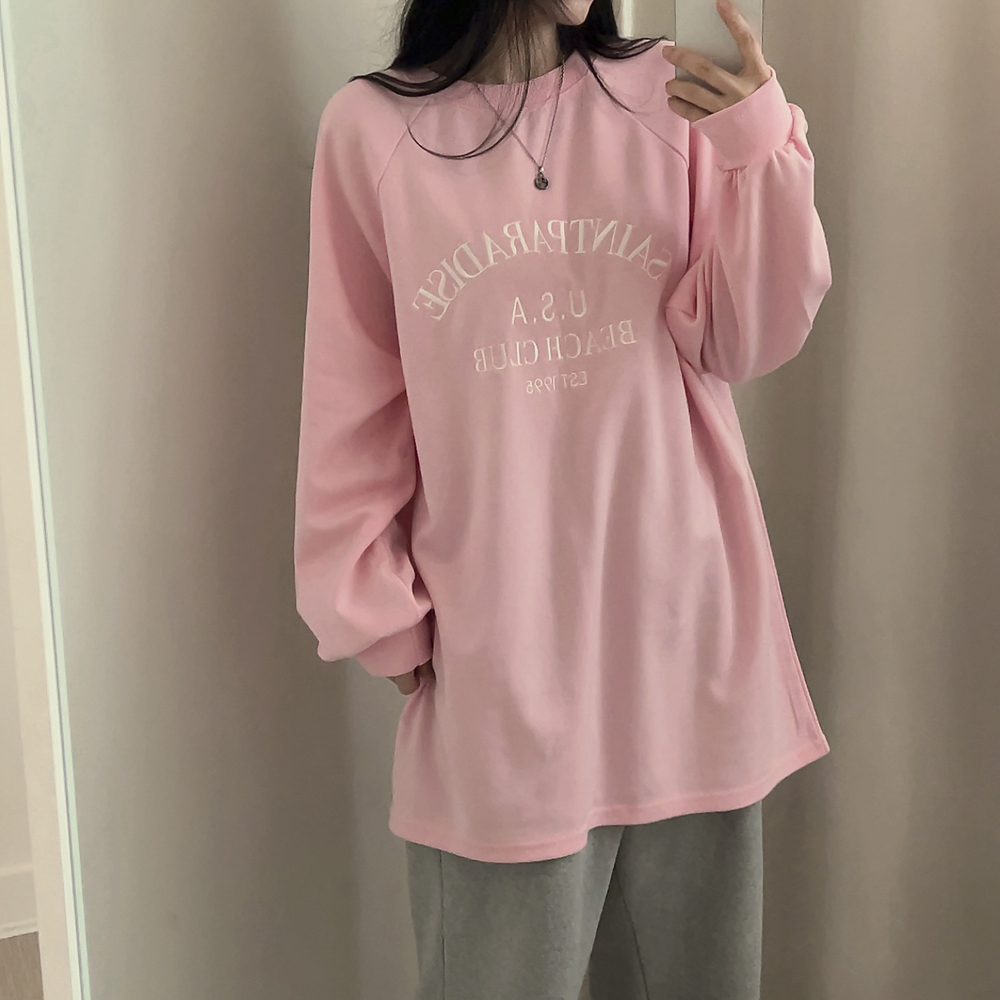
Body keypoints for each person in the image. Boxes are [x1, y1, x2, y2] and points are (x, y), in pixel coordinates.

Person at [293, 0, 833, 996]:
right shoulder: (372, 133)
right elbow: (352, 399)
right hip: (506, 681)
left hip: (685, 651)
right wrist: (379, 617)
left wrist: (758, 148)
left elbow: (746, 338)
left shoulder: (662, 95)